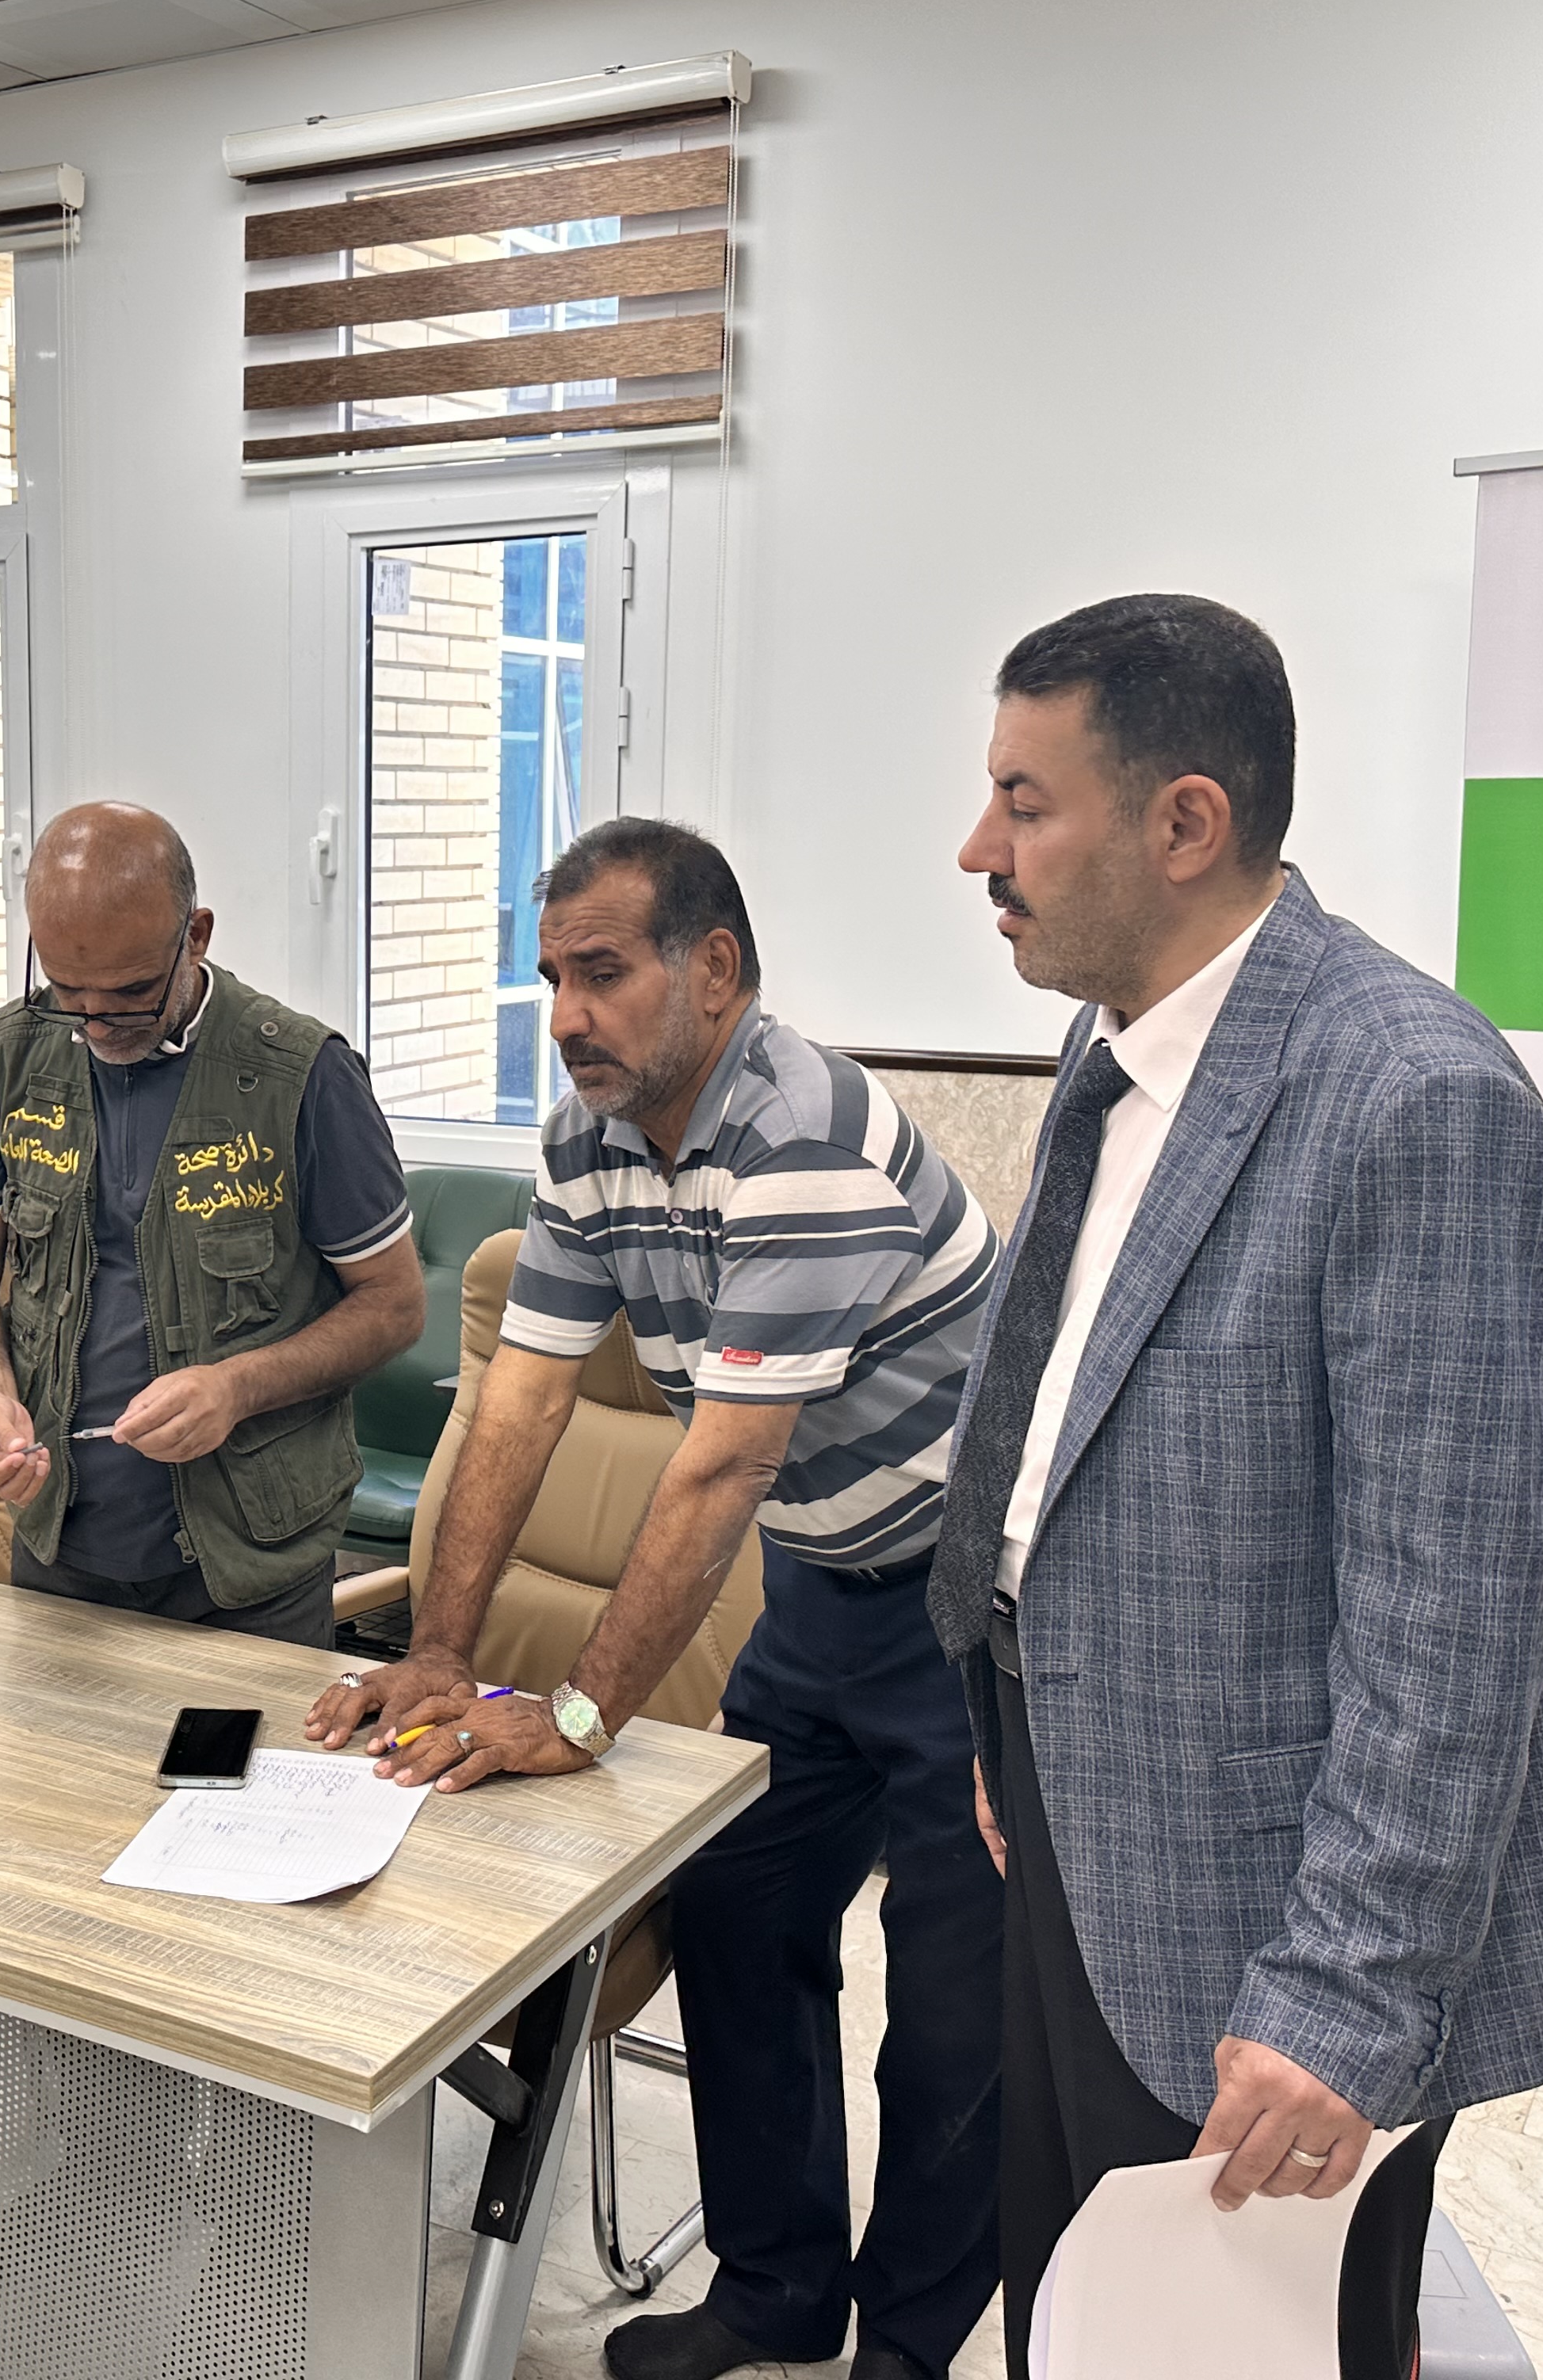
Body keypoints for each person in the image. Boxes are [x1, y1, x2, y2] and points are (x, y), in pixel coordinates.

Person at [930, 594, 1543, 2380]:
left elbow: (1458, 1620)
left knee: (1246, 2346)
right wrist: (1009, 1721)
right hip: (1079, 1807)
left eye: (1024, 802)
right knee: (1087, 2309)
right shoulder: (1120, 1043)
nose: (979, 849)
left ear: (1184, 822)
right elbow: (1064, 1427)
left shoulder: (1416, 1101)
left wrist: (1345, 1995)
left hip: (1269, 1921)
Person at [306, 819, 1006, 2380]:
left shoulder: (806, 1138)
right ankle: (775, 2289)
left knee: (957, 2007)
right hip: (820, 1584)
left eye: (604, 972)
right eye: (551, 976)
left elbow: (721, 1467)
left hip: (974, 1614)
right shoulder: (590, 1139)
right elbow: (518, 1404)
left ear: (716, 968)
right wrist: (437, 1648)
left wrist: (575, 1712)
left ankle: (906, 2346)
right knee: (741, 1915)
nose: (565, 1014)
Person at [0, 802, 424, 1647]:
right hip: (59, 1545)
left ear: (196, 935)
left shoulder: (299, 1078)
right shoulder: (4, 1059)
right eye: (67, 991)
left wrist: (237, 1387)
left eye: (129, 994)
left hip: (250, 1565)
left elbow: (394, 1305)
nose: (95, 1024)